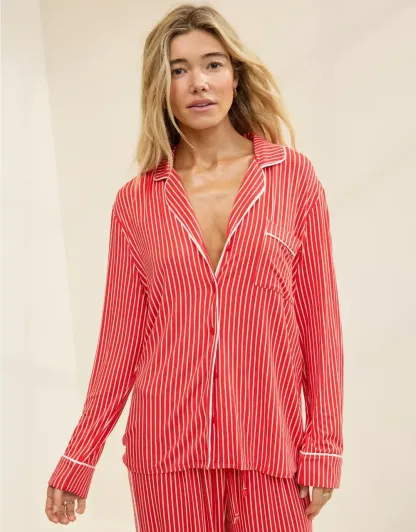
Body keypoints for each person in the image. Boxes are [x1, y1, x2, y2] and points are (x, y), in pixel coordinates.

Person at [45, 3, 344, 531]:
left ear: (235, 75)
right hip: (167, 456)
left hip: (270, 449)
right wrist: (79, 455)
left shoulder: (292, 180)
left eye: (212, 64)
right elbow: (120, 341)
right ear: (160, 87)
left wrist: (323, 446)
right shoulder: (136, 202)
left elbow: (320, 324)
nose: (198, 83)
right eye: (178, 70)